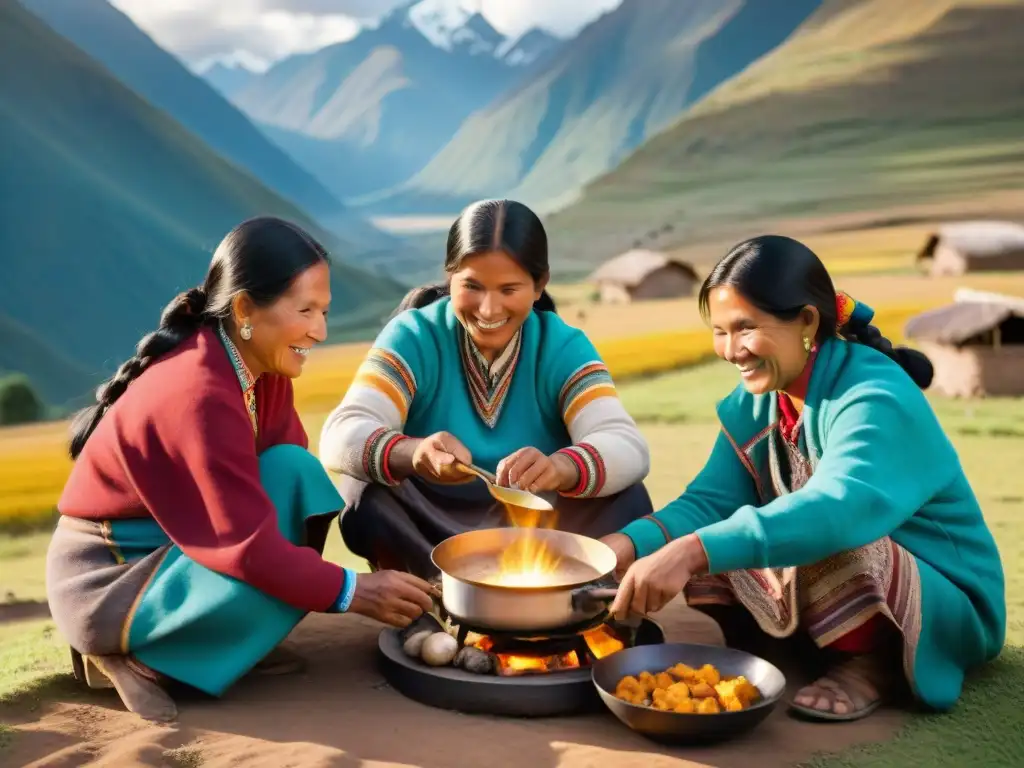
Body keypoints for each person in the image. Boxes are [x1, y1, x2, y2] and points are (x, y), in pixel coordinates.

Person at [47, 217, 438, 723]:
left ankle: (226, 638)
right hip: (112, 581)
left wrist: (365, 576)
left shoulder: (260, 369)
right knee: (288, 551)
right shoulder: (198, 392)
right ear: (245, 309)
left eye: (324, 311)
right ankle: (147, 660)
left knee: (297, 474)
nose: (319, 331)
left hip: (179, 549)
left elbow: (289, 496)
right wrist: (353, 591)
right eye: (305, 311)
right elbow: (246, 544)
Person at [602, 235, 1006, 721]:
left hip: (943, 600)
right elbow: (710, 501)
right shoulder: (761, 399)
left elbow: (839, 508)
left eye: (746, 328)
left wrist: (691, 551)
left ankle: (871, 664)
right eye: (720, 331)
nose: (731, 350)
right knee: (715, 533)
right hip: (850, 567)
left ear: (807, 322)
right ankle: (806, 644)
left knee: (825, 539)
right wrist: (620, 549)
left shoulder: (874, 395)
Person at [319, 199, 654, 579]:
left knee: (628, 496)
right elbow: (340, 435)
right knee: (363, 491)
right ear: (450, 278)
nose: (489, 309)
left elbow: (627, 446)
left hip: (539, 531)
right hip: (429, 534)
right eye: (472, 287)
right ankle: (428, 598)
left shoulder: (562, 346)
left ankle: (570, 600)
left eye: (509, 289)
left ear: (539, 284)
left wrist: (561, 467)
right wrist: (414, 453)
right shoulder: (413, 336)